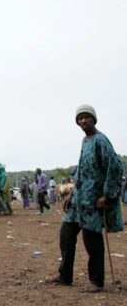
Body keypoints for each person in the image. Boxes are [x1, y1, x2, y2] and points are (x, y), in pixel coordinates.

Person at [46, 104, 124, 292]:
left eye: (86, 117)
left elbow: (115, 168)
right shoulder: (85, 141)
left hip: (93, 200)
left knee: (92, 241)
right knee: (66, 234)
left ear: (94, 119)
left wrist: (107, 194)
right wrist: (71, 193)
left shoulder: (101, 140)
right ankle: (65, 276)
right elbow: (81, 170)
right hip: (78, 199)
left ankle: (96, 281)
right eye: (79, 118)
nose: (83, 121)